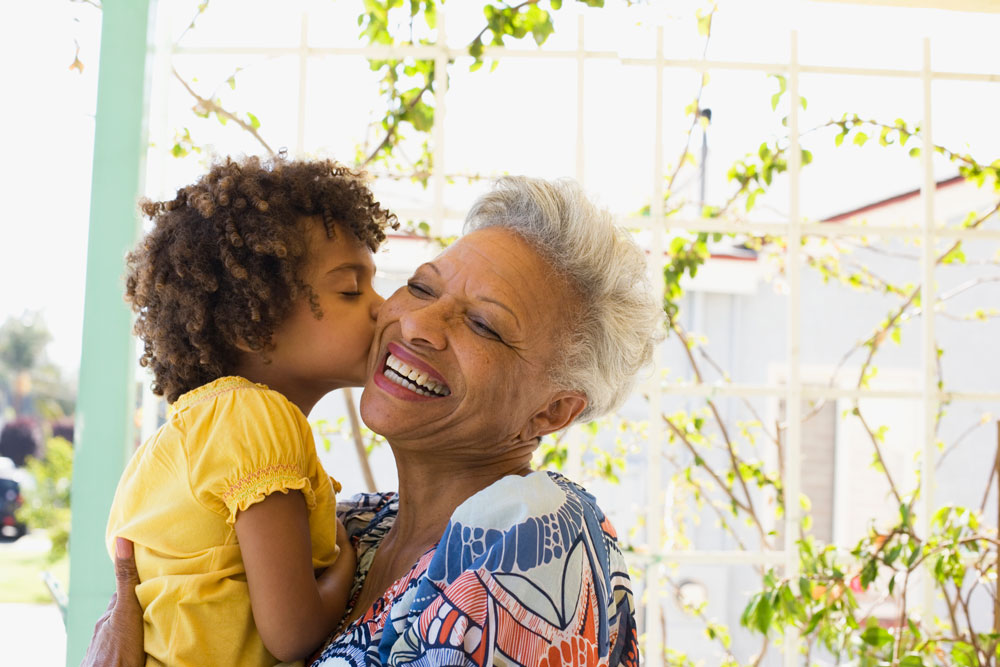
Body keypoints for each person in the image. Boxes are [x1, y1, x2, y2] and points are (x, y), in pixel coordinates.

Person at [87, 175, 662, 667]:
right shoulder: (356, 526)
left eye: (484, 325)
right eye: (420, 287)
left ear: (552, 410)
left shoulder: (531, 547)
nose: (416, 325)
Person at [104, 156, 396, 666]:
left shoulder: (187, 435)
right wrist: (348, 567)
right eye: (351, 289)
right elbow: (293, 634)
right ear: (253, 323)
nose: (382, 305)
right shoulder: (258, 418)